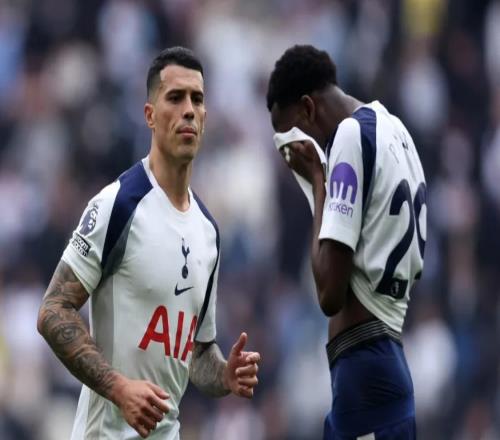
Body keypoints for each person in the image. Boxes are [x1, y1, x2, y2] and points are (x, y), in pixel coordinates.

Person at [37, 46, 261, 440]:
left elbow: (196, 353)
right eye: (175, 97)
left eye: (197, 99)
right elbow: (53, 311)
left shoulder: (208, 231)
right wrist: (119, 389)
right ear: (150, 115)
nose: (188, 110)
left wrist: (224, 375)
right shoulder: (118, 204)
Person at [267, 45, 426, 439]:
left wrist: (318, 183)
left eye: (290, 134)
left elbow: (328, 293)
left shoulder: (349, 137)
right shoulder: (395, 129)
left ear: (308, 108)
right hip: (384, 364)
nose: (292, 151)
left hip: (365, 374)